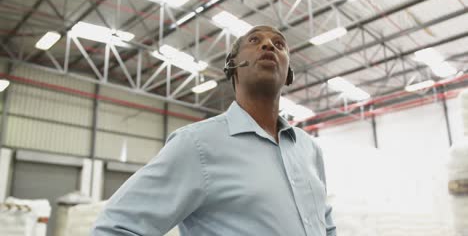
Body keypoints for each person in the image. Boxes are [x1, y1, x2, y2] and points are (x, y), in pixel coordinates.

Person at [92, 25, 336, 236]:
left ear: (288, 74)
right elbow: (115, 228)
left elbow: (325, 227)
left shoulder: (309, 150)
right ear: (232, 66)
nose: (269, 46)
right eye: (255, 40)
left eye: (279, 44)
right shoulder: (197, 145)